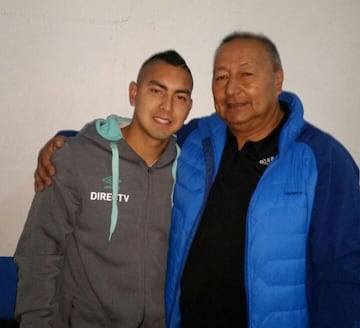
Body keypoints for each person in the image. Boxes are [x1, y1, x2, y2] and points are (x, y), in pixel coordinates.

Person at [34, 32, 360, 328]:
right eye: (221, 77)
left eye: (246, 74)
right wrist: (69, 143)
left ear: (277, 81)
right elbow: (138, 141)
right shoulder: (196, 139)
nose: (232, 88)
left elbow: (344, 273)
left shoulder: (323, 159)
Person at [14, 50, 193, 328]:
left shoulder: (190, 171)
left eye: (179, 97)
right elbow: (40, 251)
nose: (167, 106)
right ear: (134, 93)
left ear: (189, 107)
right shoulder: (75, 158)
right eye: (156, 91)